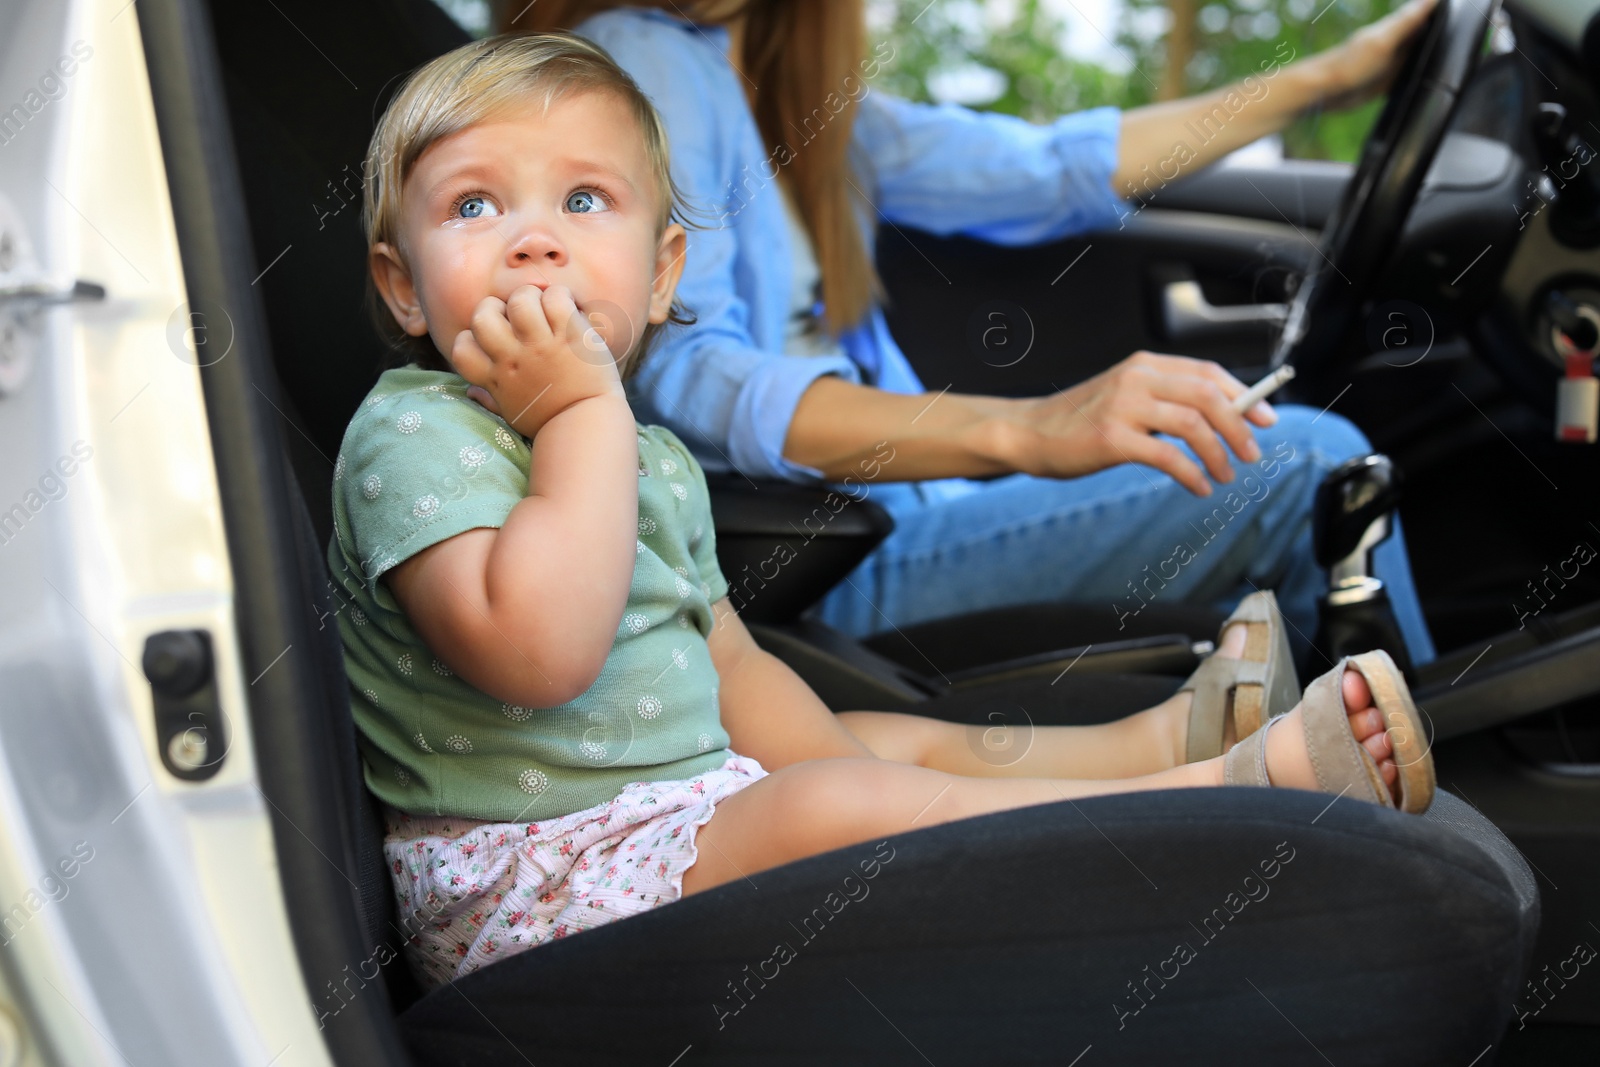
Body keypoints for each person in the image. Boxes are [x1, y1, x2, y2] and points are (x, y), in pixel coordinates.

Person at [327, 31, 1435, 991]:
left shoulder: (643, 455)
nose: (535, 239)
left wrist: (832, 763)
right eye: (475, 205)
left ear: (665, 274)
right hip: (535, 886)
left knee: (864, 745)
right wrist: (579, 414)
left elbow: (728, 663)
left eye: (583, 201)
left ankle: (1153, 743)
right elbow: (540, 656)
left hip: (656, 811)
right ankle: (1215, 805)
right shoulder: (417, 434)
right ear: (402, 285)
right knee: (830, 802)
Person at [502, 0, 1444, 668]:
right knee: (1308, 464)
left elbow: (1047, 169)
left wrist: (1338, 74)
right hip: (817, 559)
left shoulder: (783, 97)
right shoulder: (641, 54)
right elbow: (690, 375)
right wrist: (1029, 430)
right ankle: (1429, 816)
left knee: (1292, 454)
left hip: (883, 527)